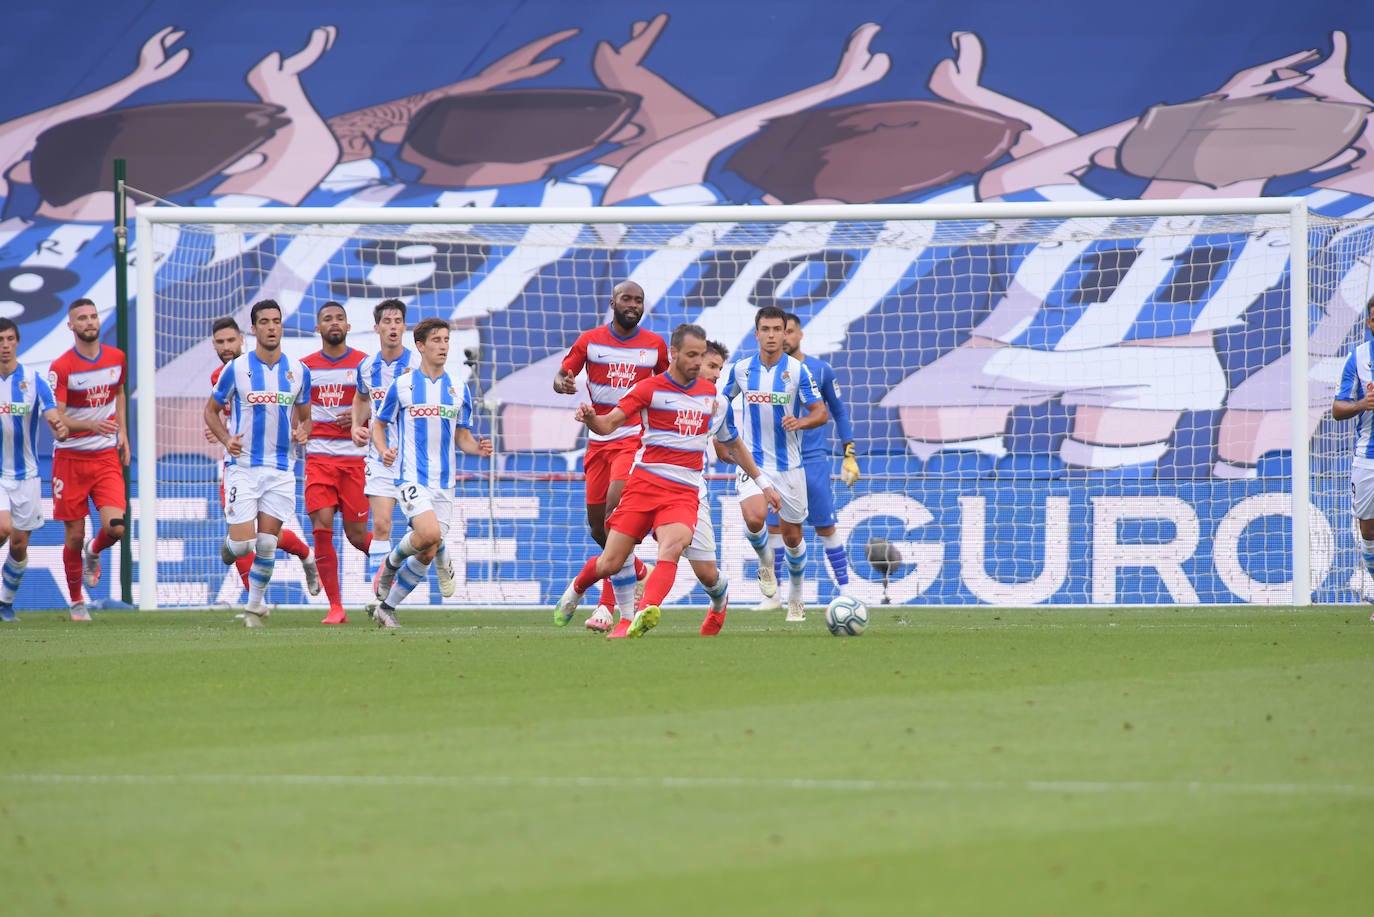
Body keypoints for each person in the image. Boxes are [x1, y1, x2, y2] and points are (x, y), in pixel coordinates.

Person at [554, 323, 780, 639]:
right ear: (673, 354)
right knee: (610, 561)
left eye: (706, 359)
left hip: (686, 493)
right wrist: (590, 417)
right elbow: (608, 425)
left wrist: (764, 483)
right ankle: (581, 592)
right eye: (696, 357)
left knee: (695, 565)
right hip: (644, 486)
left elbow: (733, 442)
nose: (702, 366)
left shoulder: (714, 400)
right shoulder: (649, 389)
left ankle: (651, 613)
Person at [553, 280, 667, 628]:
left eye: (639, 300)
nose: (633, 305)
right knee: (598, 529)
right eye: (627, 299)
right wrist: (564, 383)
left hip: (634, 439)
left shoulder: (655, 346)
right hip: (598, 442)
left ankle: (605, 607)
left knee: (615, 512)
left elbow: (670, 387)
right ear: (613, 302)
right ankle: (635, 569)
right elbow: (562, 375)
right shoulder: (590, 341)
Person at [370, 318, 493, 628]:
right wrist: (384, 449)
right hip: (411, 477)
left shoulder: (458, 389)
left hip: (445, 484)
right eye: (436, 340)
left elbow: (462, 437)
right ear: (421, 346)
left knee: (428, 551)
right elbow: (379, 424)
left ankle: (387, 607)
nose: (443, 345)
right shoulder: (403, 385)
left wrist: (478, 448)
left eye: (446, 340)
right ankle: (391, 563)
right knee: (429, 535)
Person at [204, 299, 312, 627]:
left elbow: (305, 417)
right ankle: (230, 547)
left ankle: (253, 608)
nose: (271, 327)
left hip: (281, 469)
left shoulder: (299, 372)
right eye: (264, 321)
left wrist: (302, 431)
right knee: (242, 544)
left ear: (281, 326)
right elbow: (210, 411)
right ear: (254, 328)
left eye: (276, 321)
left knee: (267, 542)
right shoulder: (235, 370)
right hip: (243, 468)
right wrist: (227, 440)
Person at [721, 306, 828, 622]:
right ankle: (766, 562)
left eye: (776, 329)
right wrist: (718, 438)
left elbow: (820, 412)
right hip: (752, 462)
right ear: (756, 334)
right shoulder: (741, 369)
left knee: (793, 537)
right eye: (765, 329)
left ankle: (795, 595)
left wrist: (801, 422)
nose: (771, 335)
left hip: (789, 467)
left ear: (785, 333)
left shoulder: (797, 371)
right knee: (754, 519)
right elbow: (720, 403)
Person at [351, 299, 458, 612]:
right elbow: (361, 399)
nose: (393, 326)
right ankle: (379, 595)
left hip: (416, 463)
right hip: (381, 459)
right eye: (387, 321)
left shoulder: (417, 365)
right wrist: (358, 425)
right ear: (377, 328)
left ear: (405, 327)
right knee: (381, 526)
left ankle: (437, 550)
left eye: (398, 321)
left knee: (427, 537)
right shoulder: (367, 367)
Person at [754, 312, 860, 611]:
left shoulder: (820, 369)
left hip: (812, 461)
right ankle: (772, 597)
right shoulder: (764, 372)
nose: (782, 337)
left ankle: (847, 589)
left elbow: (837, 411)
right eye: (776, 331)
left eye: (787, 331)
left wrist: (848, 453)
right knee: (774, 528)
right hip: (777, 463)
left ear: (799, 335)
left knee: (825, 525)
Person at [48, 298, 131, 621]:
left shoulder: (116, 358)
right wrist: (90, 425)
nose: (89, 322)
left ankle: (93, 553)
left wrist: (122, 433)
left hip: (106, 456)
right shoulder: (62, 367)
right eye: (81, 318)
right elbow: (58, 418)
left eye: (93, 316)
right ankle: (76, 601)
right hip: (70, 459)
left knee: (117, 528)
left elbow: (119, 393)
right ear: (71, 326)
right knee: (74, 535)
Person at [301, 302, 370, 624]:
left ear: (348, 325)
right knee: (321, 527)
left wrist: (360, 415)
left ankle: (398, 564)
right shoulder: (304, 368)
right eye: (327, 319)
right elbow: (295, 411)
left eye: (339, 318)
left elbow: (379, 403)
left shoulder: (364, 365)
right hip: (318, 459)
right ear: (318, 328)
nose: (334, 323)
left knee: (357, 536)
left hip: (355, 460)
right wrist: (297, 430)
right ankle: (336, 607)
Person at [0, 318, 68, 622]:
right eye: (0, 340)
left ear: (17, 342)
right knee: (4, 528)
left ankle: (4, 603)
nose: (4, 346)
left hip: (26, 474)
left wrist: (59, 425)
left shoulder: (33, 380)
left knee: (19, 543)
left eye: (9, 339)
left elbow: (52, 413)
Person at [1331, 295, 1374, 617]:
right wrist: (1362, 404)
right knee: (1369, 531)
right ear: (1369, 323)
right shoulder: (1358, 358)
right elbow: (1337, 409)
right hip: (1368, 457)